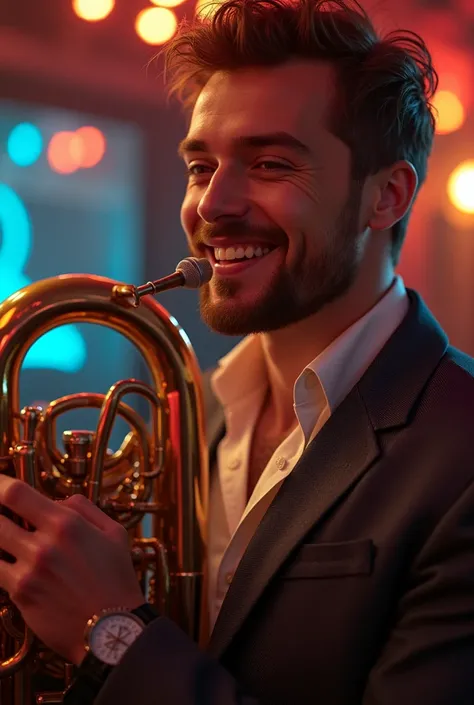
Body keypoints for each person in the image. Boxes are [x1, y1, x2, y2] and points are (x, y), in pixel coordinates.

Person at [1, 0, 474, 703]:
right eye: (200, 165)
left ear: (387, 195)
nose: (212, 204)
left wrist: (111, 628)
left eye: (271, 162)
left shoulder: (461, 450)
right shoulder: (200, 412)